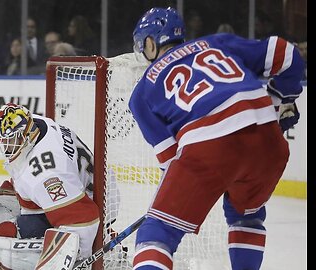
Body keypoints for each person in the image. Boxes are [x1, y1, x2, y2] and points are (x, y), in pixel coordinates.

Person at [129, 7, 304, 270]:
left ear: (151, 43)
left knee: (157, 234)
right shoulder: (216, 42)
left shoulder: (141, 93)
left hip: (208, 146)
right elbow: (288, 54)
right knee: (247, 215)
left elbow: (171, 161)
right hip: (268, 140)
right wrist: (281, 101)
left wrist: (183, 199)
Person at [0, 103, 121, 269]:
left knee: (21, 229)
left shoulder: (45, 174)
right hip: (83, 190)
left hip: (93, 205)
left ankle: (105, 243)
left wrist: (80, 259)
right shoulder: (37, 124)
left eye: (9, 141)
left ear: (25, 135)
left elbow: (83, 218)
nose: (5, 147)